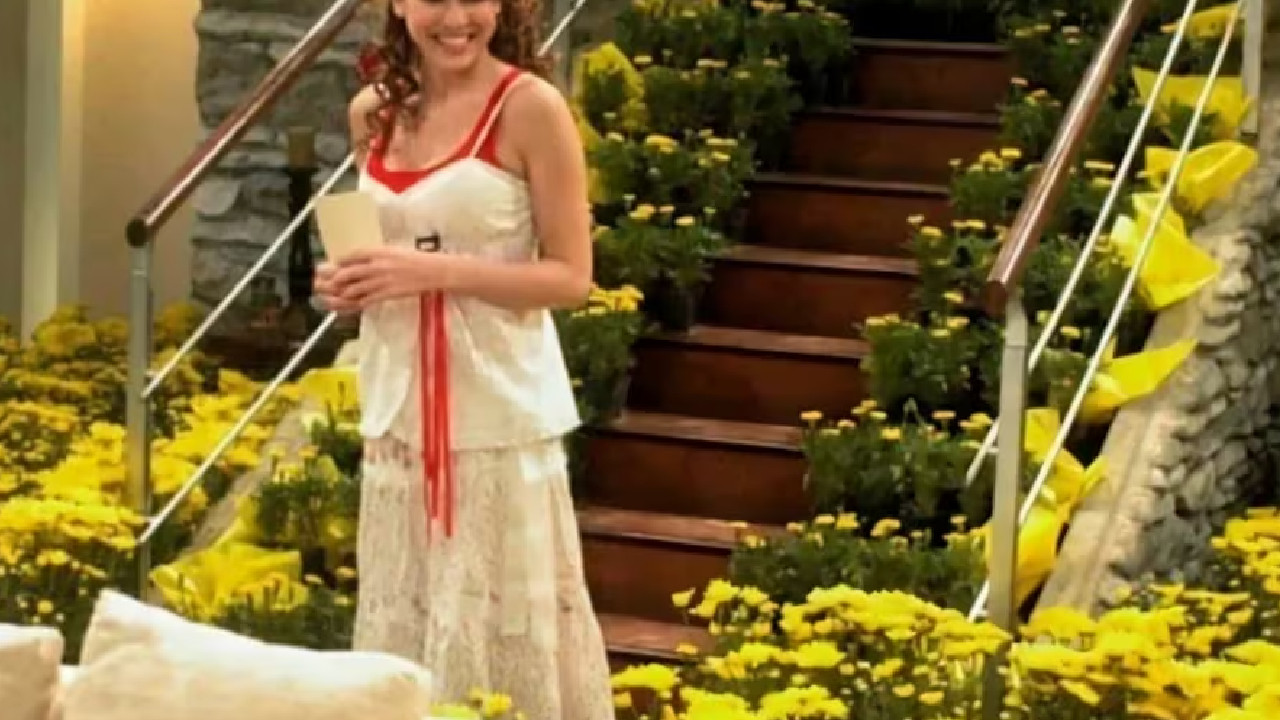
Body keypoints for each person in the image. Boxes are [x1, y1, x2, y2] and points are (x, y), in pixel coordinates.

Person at [312, 0, 613, 715]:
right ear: (399, 4)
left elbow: (571, 277)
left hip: (497, 422)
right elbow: (380, 257)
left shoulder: (531, 108)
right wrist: (346, 287)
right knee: (403, 625)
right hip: (399, 423)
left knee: (502, 634)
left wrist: (435, 272)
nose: (456, 17)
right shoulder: (372, 113)